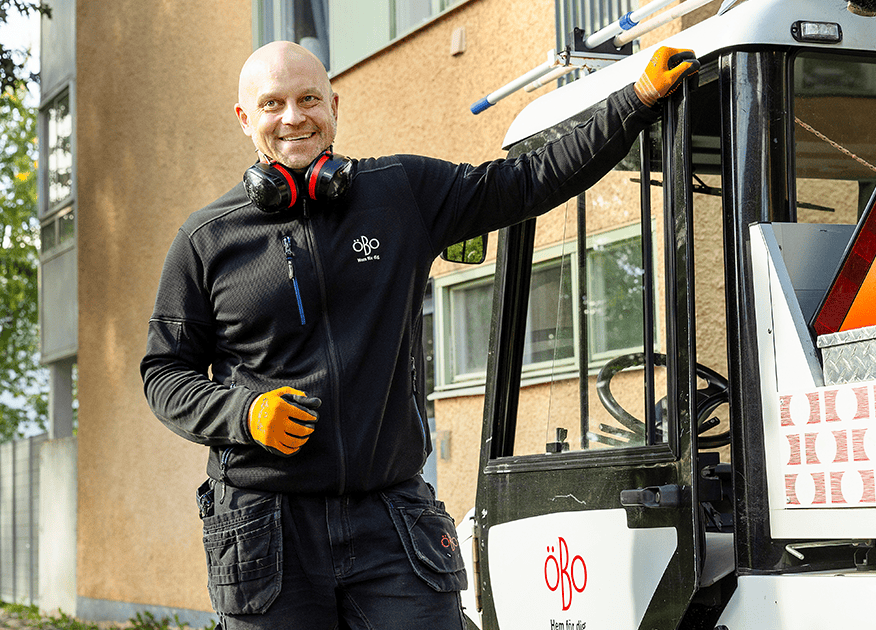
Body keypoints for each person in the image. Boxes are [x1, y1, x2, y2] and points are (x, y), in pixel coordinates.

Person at [141, 40, 697, 630]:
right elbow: (164, 375)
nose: (293, 117)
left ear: (334, 104)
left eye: (308, 99)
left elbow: (525, 181)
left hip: (390, 517)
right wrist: (243, 414)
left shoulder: (398, 192)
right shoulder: (206, 240)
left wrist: (633, 100)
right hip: (265, 529)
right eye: (272, 103)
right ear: (244, 118)